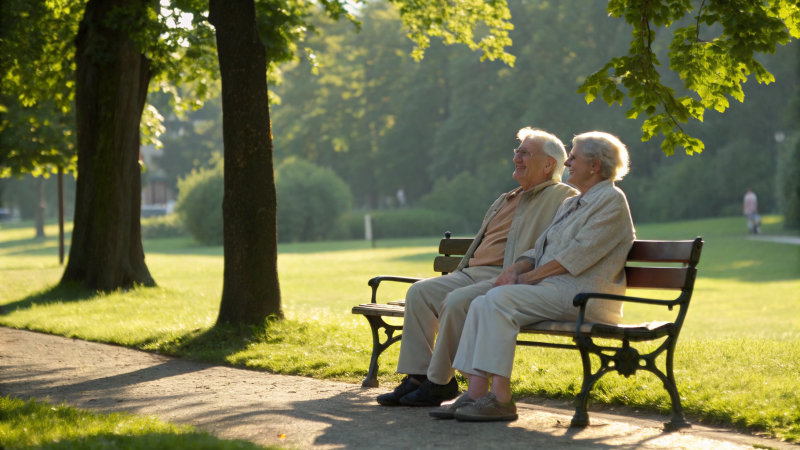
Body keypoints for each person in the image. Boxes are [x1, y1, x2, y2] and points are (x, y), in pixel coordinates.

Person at [438, 131, 635, 422]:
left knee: (498, 301)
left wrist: (527, 280)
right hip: (557, 291)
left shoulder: (611, 200)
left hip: (585, 296)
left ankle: (502, 399)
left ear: (594, 166)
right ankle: (477, 392)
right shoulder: (572, 203)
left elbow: (575, 257)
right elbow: (539, 248)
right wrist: (516, 268)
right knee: (482, 302)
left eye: (574, 157)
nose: (567, 162)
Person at [376, 128, 579, 407]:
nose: (517, 158)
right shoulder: (507, 197)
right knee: (419, 293)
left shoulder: (564, 196)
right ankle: (419, 377)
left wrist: (521, 273)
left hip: (505, 276)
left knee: (456, 302)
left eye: (525, 153)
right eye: (516, 152)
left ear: (549, 164)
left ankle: (440, 381)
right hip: (470, 273)